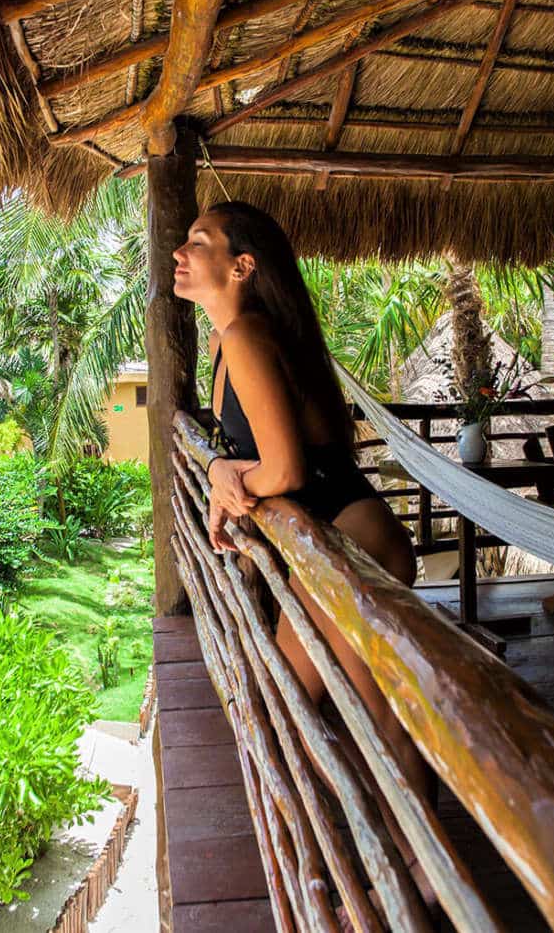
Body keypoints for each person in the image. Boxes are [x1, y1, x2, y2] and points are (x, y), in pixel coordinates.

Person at [171, 199, 435, 907]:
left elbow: (282, 469)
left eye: (201, 240)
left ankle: (409, 883)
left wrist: (230, 478)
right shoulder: (234, 341)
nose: (183, 249)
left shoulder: (251, 334)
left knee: (327, 713)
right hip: (334, 544)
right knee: (336, 712)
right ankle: (401, 877)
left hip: (350, 544)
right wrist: (229, 481)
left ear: (242, 266)